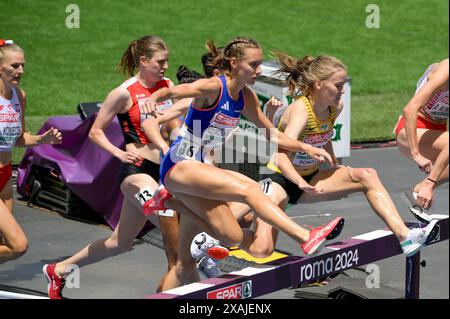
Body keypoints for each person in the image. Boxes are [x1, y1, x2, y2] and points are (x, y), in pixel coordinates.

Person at [140, 37, 345, 288]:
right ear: (235, 63)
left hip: (201, 168)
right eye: (254, 64)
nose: (259, 70)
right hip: (179, 165)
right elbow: (176, 91)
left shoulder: (246, 97)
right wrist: (155, 97)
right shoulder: (214, 87)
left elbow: (272, 134)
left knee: (232, 235)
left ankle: (169, 201)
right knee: (251, 189)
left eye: (259, 64)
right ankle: (305, 235)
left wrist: (306, 146)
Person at [42, 35, 183, 299]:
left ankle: (58, 270)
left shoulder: (167, 85)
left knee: (119, 243)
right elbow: (96, 132)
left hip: (162, 170)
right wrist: (118, 153)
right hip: (136, 173)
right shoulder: (123, 93)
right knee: (171, 224)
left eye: (167, 61)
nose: (165, 67)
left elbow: (173, 123)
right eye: (160, 62)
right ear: (143, 61)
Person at [261, 51, 439, 258]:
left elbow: (323, 135)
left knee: (367, 175)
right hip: (281, 180)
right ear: (318, 84)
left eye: (343, 84)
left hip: (311, 178)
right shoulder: (301, 110)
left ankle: (405, 236)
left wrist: (335, 166)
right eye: (337, 85)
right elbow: (281, 156)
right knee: (261, 247)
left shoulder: (335, 107)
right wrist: (300, 183)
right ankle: (218, 238)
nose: (342, 91)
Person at [0, 39, 62, 264]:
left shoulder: (19, 96)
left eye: (22, 65)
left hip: (5, 175)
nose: (21, 71)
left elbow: (19, 138)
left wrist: (42, 139)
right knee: (18, 245)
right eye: (14, 66)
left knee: (5, 243)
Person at [394, 58, 448, 214]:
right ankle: (427, 185)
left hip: (437, 130)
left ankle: (418, 190)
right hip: (413, 128)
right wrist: (415, 153)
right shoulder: (446, 70)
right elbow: (410, 109)